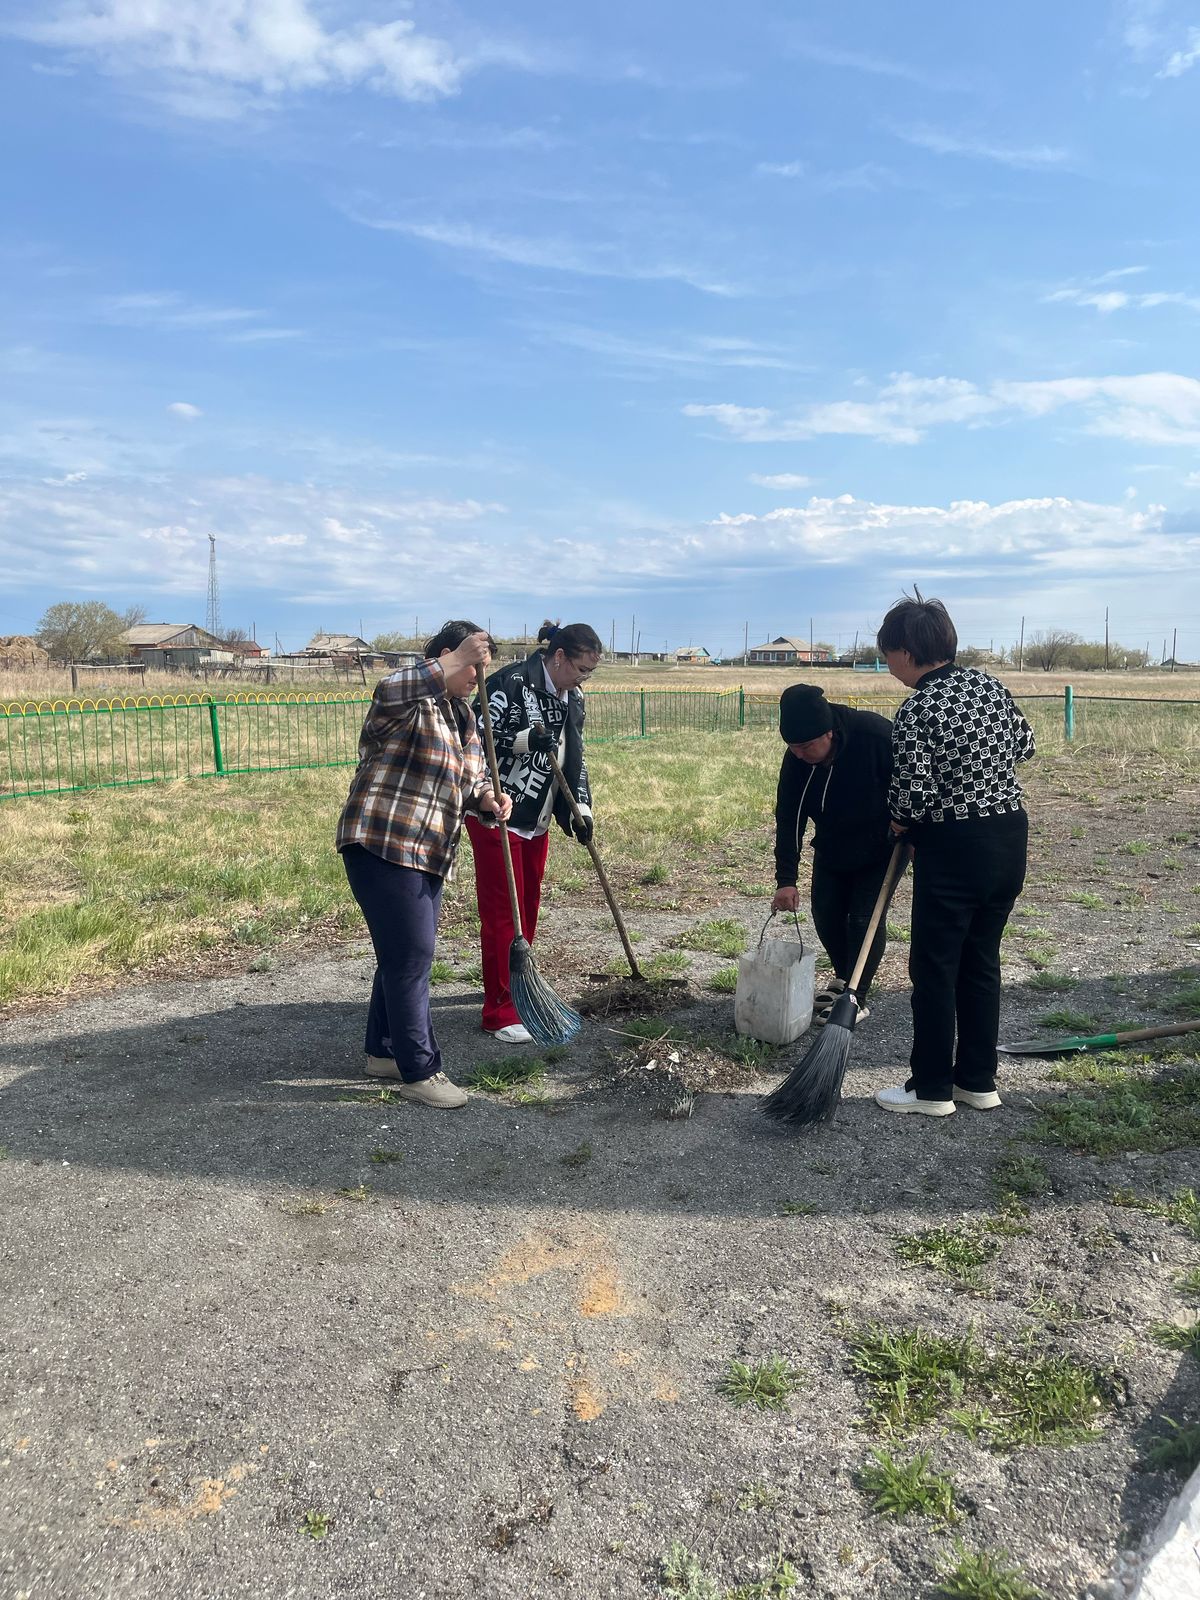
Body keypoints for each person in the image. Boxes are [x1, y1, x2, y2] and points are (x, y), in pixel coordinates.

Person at [336, 623, 512, 1108]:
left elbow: (469, 781)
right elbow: (390, 686)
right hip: (383, 842)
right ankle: (421, 1070)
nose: (478, 675)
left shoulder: (466, 720)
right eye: (473, 664)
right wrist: (457, 658)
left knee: (401, 955)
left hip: (430, 852)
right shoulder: (408, 699)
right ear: (446, 656)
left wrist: (487, 800)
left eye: (483, 667)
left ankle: (384, 1051)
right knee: (413, 957)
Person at [872, 595, 1035, 1118]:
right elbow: (1024, 745)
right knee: (981, 960)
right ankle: (978, 1081)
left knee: (936, 966)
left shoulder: (920, 706)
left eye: (888, 654)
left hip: (955, 845)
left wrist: (899, 820)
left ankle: (932, 1088)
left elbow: (911, 795)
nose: (889, 665)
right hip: (1007, 836)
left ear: (905, 651)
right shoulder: (989, 686)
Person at [466, 620, 603, 1042]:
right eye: (581, 669)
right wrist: (524, 740)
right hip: (499, 811)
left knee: (527, 908)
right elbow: (475, 734)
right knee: (504, 914)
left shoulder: (572, 696)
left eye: (589, 673)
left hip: (538, 816)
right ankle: (501, 1011)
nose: (583, 679)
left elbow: (573, 756)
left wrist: (581, 807)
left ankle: (516, 984)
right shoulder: (509, 684)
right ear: (558, 657)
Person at [770, 684, 894, 1025]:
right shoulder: (797, 759)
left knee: (862, 919)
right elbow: (789, 815)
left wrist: (910, 832)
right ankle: (845, 977)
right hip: (832, 843)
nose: (798, 754)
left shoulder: (876, 737)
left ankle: (856, 996)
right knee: (825, 912)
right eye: (792, 747)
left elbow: (910, 783)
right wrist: (786, 879)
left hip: (880, 845)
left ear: (829, 733)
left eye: (806, 746)